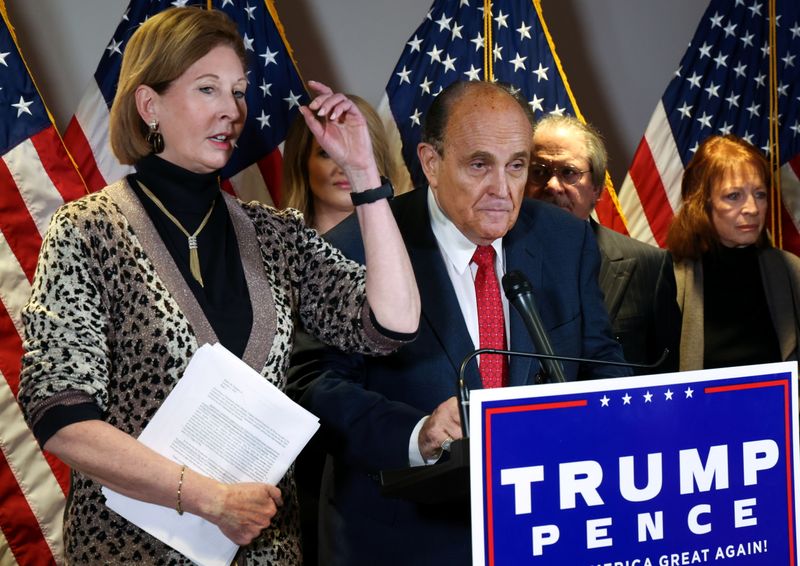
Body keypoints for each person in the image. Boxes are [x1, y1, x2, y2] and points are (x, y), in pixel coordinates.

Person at [18, 7, 419, 565]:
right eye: (208, 89)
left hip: (264, 550)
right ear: (149, 105)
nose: (232, 110)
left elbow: (390, 324)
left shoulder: (274, 233)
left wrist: (365, 178)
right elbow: (60, 414)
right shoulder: (87, 230)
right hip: (131, 552)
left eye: (238, 91)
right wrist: (210, 499)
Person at [294, 81, 631, 566]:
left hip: (540, 533)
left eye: (517, 165)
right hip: (404, 541)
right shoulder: (358, 244)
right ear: (431, 163)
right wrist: (418, 434)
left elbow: (599, 362)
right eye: (479, 165)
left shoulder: (566, 240)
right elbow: (314, 384)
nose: (503, 189)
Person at [281, 94, 403, 564]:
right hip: (300, 466)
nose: (340, 165)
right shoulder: (270, 245)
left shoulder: (411, 257)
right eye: (325, 151)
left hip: (395, 457)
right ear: (302, 161)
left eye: (353, 149)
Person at [527, 114, 681, 373]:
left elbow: (664, 376)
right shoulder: (497, 255)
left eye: (568, 173)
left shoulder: (649, 267)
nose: (553, 185)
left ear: (597, 188)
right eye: (539, 172)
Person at [666, 134, 800, 370]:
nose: (752, 209)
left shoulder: (791, 272)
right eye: (734, 196)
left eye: (760, 194)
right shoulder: (670, 280)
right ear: (702, 203)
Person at [282, 93, 404, 233]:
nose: (346, 168)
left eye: (359, 152)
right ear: (302, 164)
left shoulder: (415, 240)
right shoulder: (279, 250)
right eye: (327, 153)